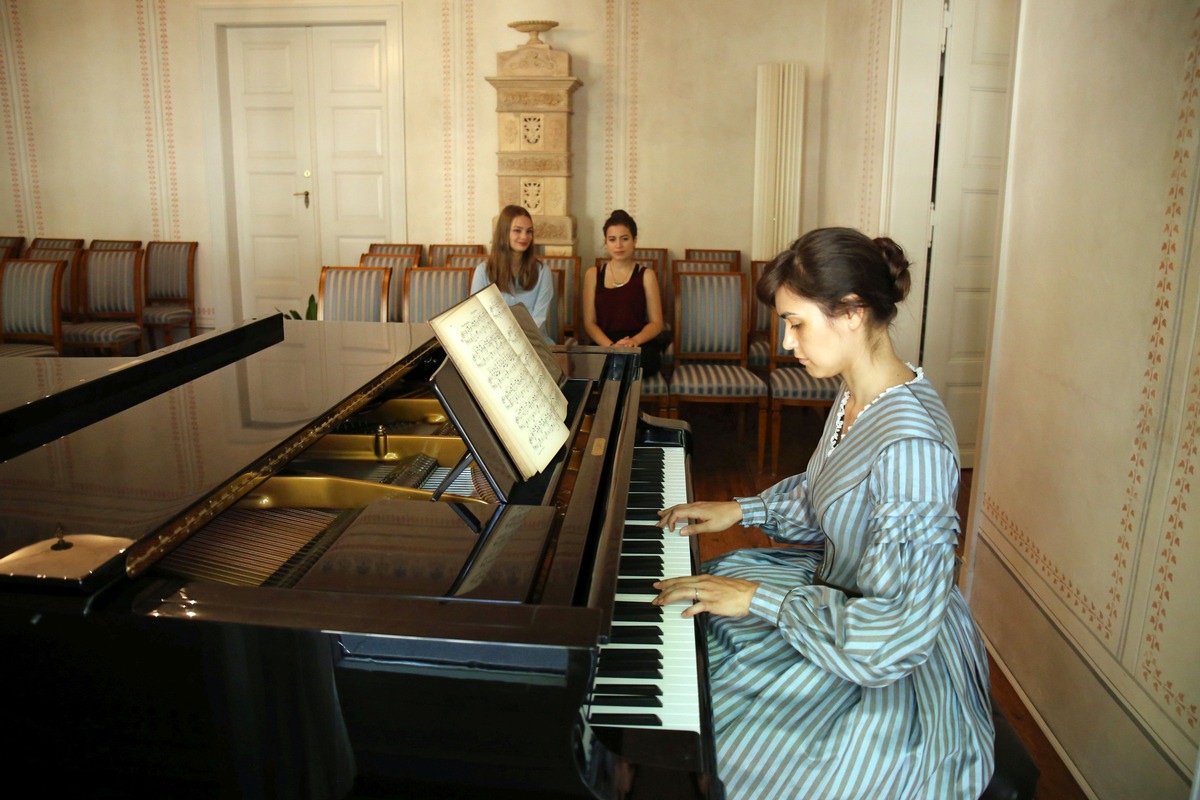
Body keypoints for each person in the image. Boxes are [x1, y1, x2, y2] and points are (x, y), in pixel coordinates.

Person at [653, 227, 995, 799]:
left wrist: (759, 599)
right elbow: (826, 500)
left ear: (852, 312)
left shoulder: (912, 446)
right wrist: (740, 508)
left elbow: (897, 630)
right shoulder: (857, 394)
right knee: (701, 627)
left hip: (882, 652)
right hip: (833, 601)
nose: (788, 343)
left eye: (797, 323)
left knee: (729, 736)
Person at [581, 209, 664, 377]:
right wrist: (611, 346)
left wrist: (633, 342)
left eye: (624, 239)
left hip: (638, 344)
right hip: (604, 343)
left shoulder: (646, 275)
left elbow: (656, 323)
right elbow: (590, 323)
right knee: (602, 364)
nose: (618, 245)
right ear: (606, 242)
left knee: (632, 363)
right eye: (612, 240)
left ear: (634, 241)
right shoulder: (592, 274)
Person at [470, 204, 555, 342]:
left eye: (529, 231)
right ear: (504, 233)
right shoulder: (482, 272)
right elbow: (478, 316)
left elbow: (539, 318)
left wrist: (518, 342)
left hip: (534, 343)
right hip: (496, 344)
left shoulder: (543, 272)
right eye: (517, 230)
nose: (524, 236)